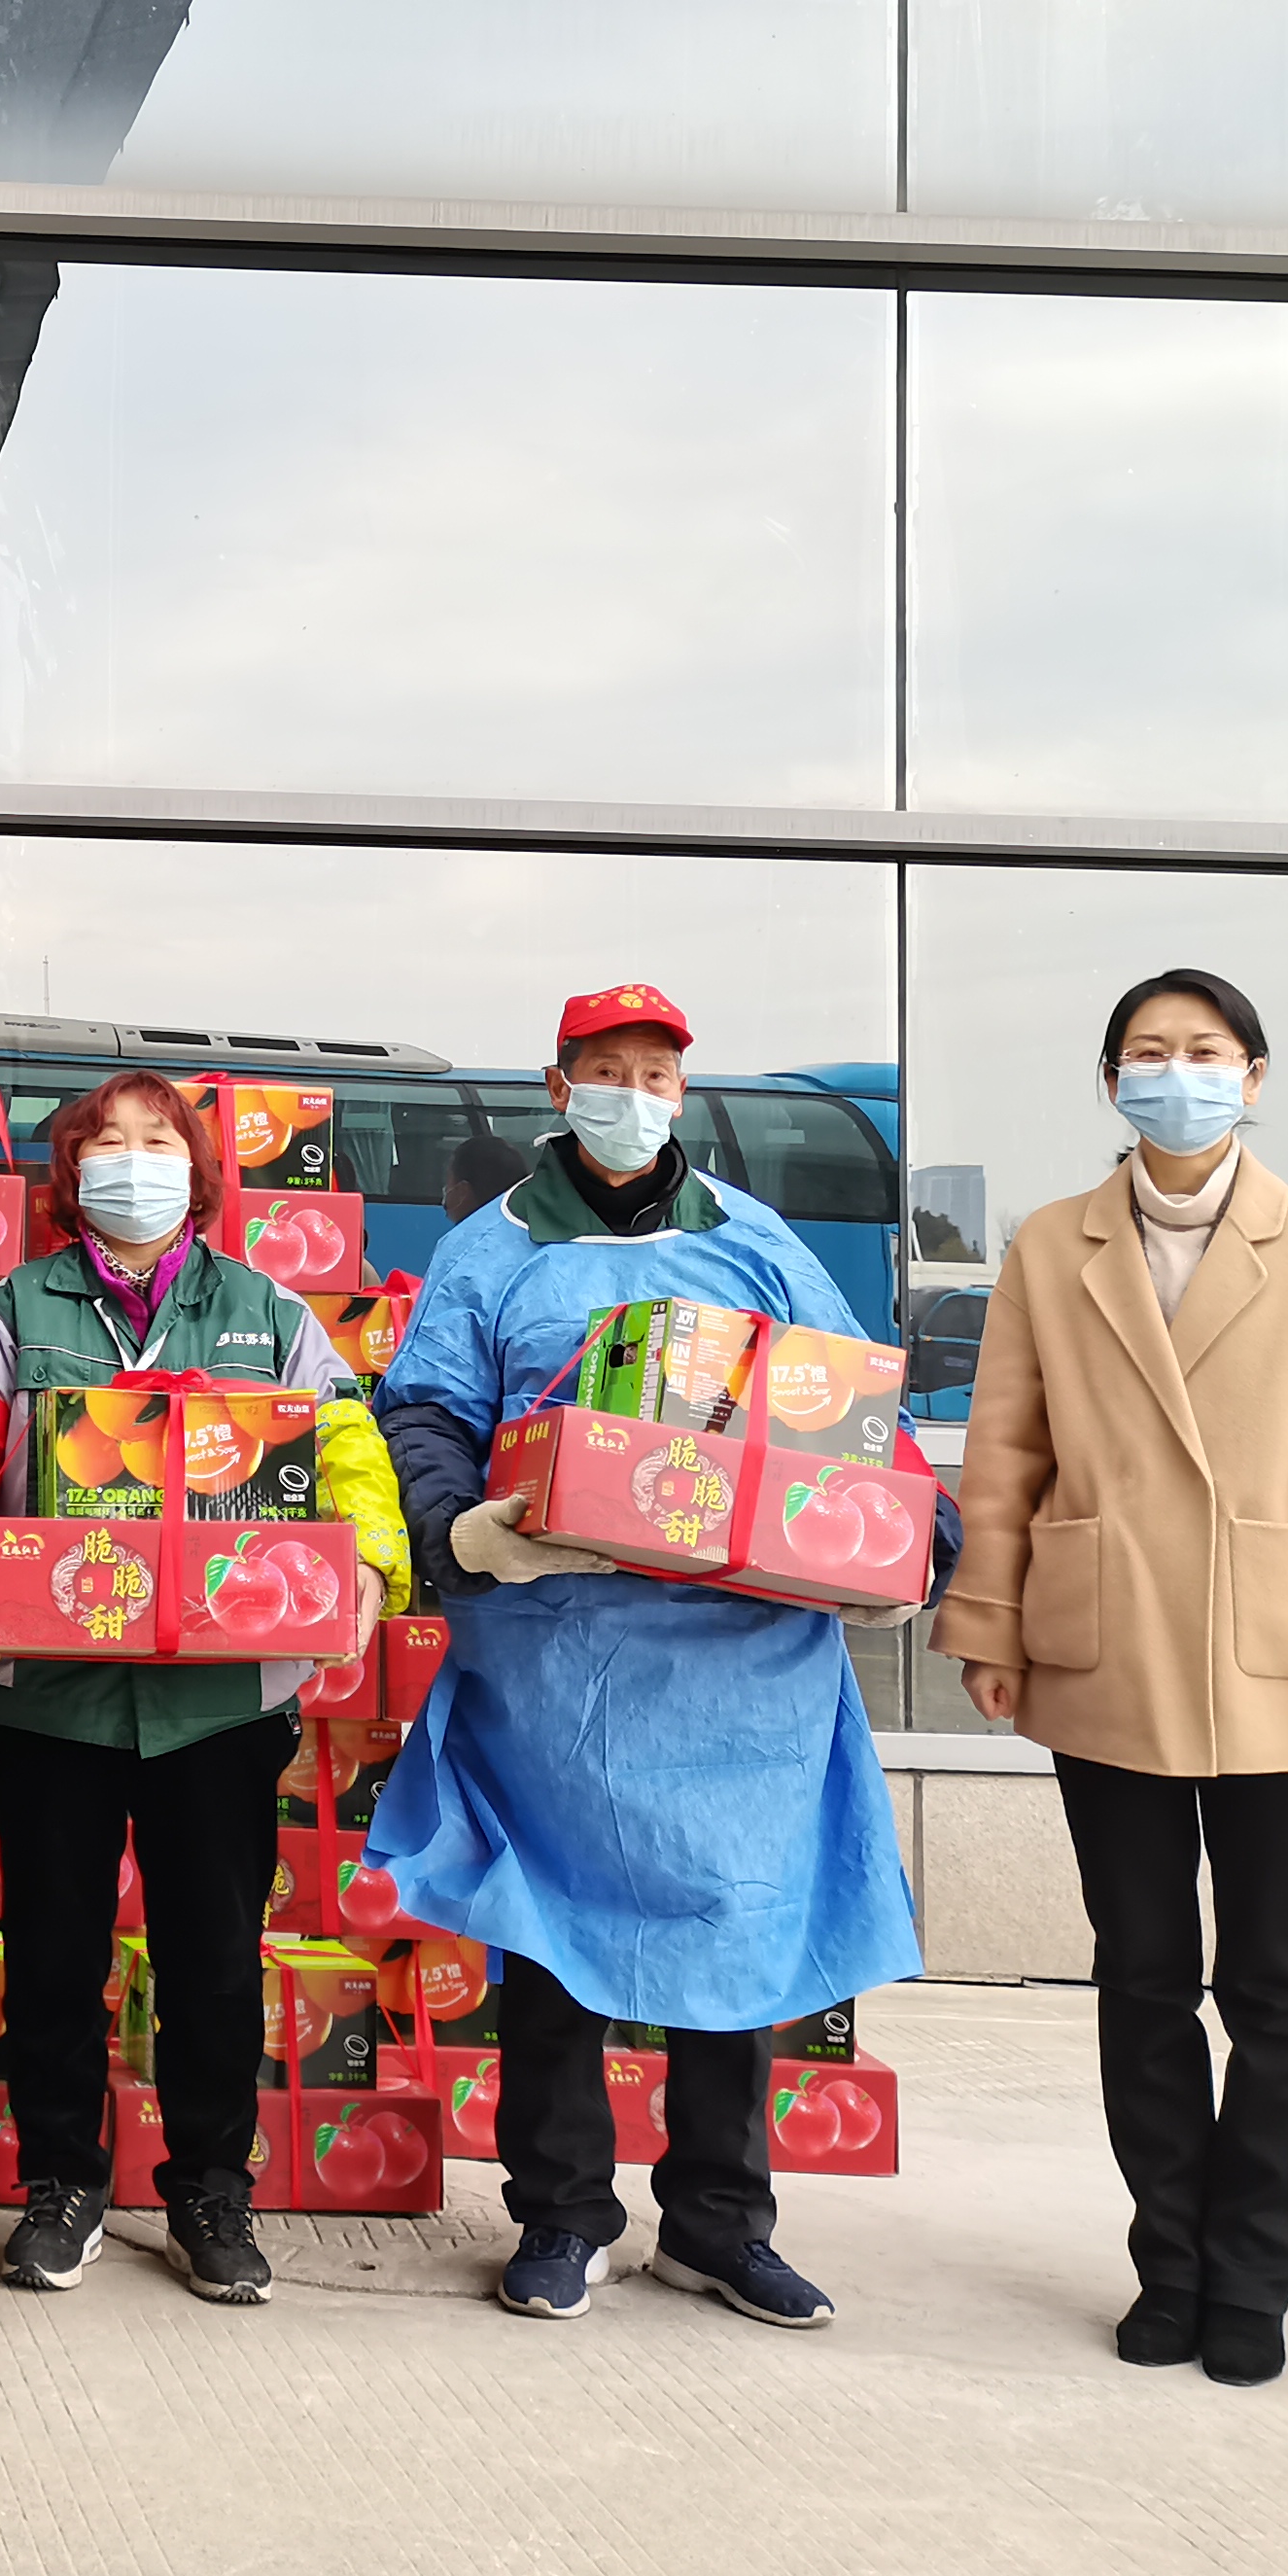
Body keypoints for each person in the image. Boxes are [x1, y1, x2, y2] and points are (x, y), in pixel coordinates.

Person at [367, 982, 945, 2333]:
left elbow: (859, 1409)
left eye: (655, 1074)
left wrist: (918, 1545)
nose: (630, 1095)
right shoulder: (490, 1250)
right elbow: (427, 1410)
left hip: (743, 1666)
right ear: (557, 1084)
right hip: (555, 1655)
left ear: (683, 1093)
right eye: (605, 1069)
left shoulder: (756, 1241)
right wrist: (462, 1533)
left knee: (734, 1935)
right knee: (551, 1942)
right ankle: (561, 2216)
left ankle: (719, 2226)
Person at [929, 969, 1288, 2386]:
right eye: (1148, 1053)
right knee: (1143, 1978)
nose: (1178, 1073)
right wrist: (991, 1623)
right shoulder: (1053, 1243)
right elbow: (1007, 1449)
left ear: (1254, 1075)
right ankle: (1171, 2260)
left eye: (1205, 1050)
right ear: (1112, 1082)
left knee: (1278, 1990)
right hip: (1106, 1646)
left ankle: (1254, 2277)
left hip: (1281, 1655)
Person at [0, 1072, 408, 2308]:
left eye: (157, 1140)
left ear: (197, 1167)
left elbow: (346, 1442)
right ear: (72, 1177)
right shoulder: (14, 1309)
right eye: (107, 1143)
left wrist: (372, 1558)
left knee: (215, 1959)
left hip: (223, 1697)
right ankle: (61, 2184)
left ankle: (210, 2192)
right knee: (54, 1953)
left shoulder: (269, 1311)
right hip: (50, 1691)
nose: (133, 1161)